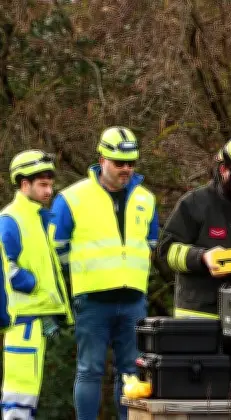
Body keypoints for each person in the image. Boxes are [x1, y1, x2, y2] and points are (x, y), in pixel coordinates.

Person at [50, 126, 159, 420]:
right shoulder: (72, 198)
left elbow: (150, 244)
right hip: (93, 299)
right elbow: (56, 249)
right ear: (101, 159)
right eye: (119, 163)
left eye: (131, 163)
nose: (126, 169)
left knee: (131, 372)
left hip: (133, 299)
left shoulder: (146, 199)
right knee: (89, 370)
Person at [156, 134, 231, 347]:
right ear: (224, 170)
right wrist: (202, 258)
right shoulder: (194, 204)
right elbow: (166, 251)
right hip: (199, 322)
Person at [0, 150, 72, 420]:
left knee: (26, 394)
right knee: (19, 394)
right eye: (42, 184)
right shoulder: (12, 219)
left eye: (50, 184)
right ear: (23, 184)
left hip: (33, 320)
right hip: (22, 321)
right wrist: (28, 283)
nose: (49, 190)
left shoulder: (37, 218)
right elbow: (5, 264)